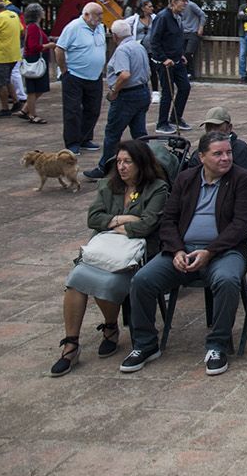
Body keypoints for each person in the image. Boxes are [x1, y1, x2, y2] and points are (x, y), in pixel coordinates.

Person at [120, 133, 247, 376]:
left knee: (227, 280)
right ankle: (145, 344)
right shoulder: (186, 178)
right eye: (218, 153)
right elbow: (169, 220)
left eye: (228, 152)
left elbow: (242, 224)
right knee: (142, 280)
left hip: (224, 251)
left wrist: (209, 251)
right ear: (201, 157)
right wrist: (176, 250)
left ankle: (217, 345)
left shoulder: (242, 179)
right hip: (183, 251)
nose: (226, 158)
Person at [50, 139, 170, 376]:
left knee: (108, 282)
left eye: (128, 162)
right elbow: (93, 218)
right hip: (105, 249)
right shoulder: (108, 185)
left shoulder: (157, 188)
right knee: (76, 280)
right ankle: (71, 344)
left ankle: (110, 327)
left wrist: (111, 222)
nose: (122, 167)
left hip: (137, 254)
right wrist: (123, 220)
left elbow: (147, 226)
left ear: (141, 163)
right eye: (119, 161)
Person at [87, 19, 153, 181]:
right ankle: (146, 165)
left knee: (113, 133)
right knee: (139, 133)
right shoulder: (139, 46)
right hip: (142, 91)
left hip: (127, 95)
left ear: (115, 36)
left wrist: (114, 91)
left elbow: (124, 74)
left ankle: (106, 167)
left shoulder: (123, 50)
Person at [54, 2, 107, 152]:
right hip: (75, 75)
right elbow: (59, 49)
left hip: (95, 76)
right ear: (86, 14)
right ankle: (72, 142)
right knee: (73, 110)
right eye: (98, 14)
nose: (101, 18)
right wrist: (64, 71)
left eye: (101, 14)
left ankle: (85, 138)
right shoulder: (73, 27)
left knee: (93, 109)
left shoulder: (100, 28)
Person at [182, 107, 247, 184]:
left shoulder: (241, 150)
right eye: (209, 127)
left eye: (217, 127)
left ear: (229, 128)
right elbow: (189, 182)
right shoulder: (200, 152)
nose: (213, 131)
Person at [148, 0, 193, 133]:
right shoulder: (163, 17)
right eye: (183, 1)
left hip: (177, 59)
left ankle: (175, 117)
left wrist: (180, 54)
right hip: (165, 62)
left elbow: (175, 38)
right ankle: (161, 123)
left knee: (185, 87)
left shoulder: (177, 16)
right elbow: (154, 41)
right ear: (174, 2)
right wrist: (163, 58)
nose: (186, 3)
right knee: (168, 92)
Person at [17, 3, 52, 124]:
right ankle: (32, 114)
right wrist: (49, 45)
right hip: (34, 59)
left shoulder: (34, 26)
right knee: (33, 89)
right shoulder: (33, 27)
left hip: (34, 59)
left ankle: (25, 110)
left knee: (39, 88)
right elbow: (33, 46)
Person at [174, 0, 207, 79]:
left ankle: (190, 72)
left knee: (188, 52)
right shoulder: (176, 8)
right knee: (181, 52)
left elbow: (202, 15)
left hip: (193, 31)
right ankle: (184, 72)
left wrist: (201, 27)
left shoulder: (191, 5)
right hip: (182, 32)